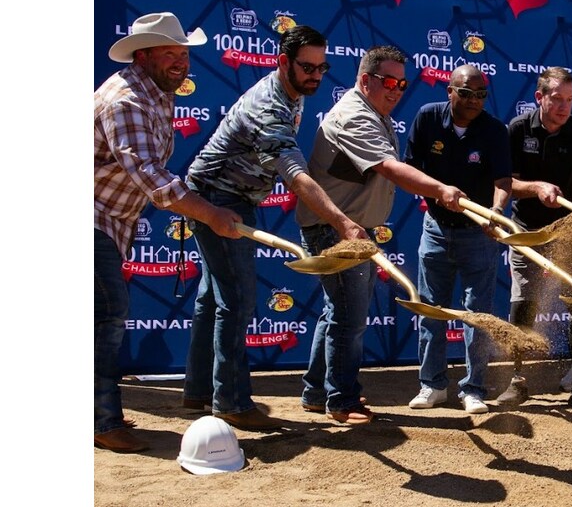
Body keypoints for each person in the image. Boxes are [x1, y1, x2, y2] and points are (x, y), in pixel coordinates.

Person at [184, 25, 368, 431]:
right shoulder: (270, 105)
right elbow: (294, 175)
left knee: (212, 300)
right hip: (219, 199)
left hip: (228, 193)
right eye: (307, 67)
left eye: (322, 68)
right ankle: (230, 402)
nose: (316, 76)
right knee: (235, 300)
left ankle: (199, 390)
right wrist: (341, 221)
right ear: (283, 61)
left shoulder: (292, 94)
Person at [94, 12, 243, 453]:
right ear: (143, 55)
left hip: (109, 221)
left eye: (184, 53)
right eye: (170, 53)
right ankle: (102, 419)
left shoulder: (156, 92)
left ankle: (98, 409)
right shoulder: (127, 100)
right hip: (87, 215)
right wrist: (210, 213)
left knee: (97, 315)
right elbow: (149, 176)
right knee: (107, 312)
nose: (181, 62)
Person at [296, 45, 466, 424]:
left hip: (351, 226)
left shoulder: (375, 113)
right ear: (364, 80)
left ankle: (317, 391)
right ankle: (341, 400)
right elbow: (389, 167)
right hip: (337, 229)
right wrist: (440, 190)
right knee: (349, 316)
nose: (396, 90)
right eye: (388, 81)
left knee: (336, 311)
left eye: (402, 84)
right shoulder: (356, 116)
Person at [404, 64, 513, 415]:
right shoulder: (427, 118)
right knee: (430, 311)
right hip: (435, 228)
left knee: (477, 315)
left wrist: (495, 212)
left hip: (478, 235)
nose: (474, 101)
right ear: (449, 91)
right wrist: (435, 193)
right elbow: (410, 168)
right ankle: (431, 385)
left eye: (481, 95)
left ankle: (474, 389)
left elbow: (503, 181)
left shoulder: (494, 130)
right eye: (466, 93)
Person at [496, 67, 572, 407]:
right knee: (524, 302)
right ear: (539, 97)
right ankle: (518, 379)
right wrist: (537, 187)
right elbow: (506, 184)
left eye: (570, 100)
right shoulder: (516, 130)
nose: (564, 107)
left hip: (570, 232)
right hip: (527, 229)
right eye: (557, 99)